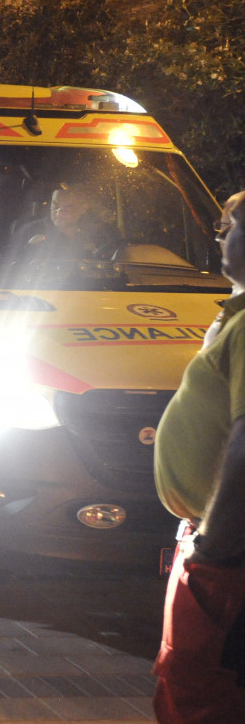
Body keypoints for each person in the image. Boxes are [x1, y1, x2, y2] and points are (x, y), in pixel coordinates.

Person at [152, 190, 245, 719]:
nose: (223, 235)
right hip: (217, 544)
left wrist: (212, 545)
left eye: (233, 226)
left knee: (200, 690)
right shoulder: (234, 315)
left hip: (226, 557)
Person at [14, 183, 117, 260]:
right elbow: (9, 270)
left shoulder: (98, 235)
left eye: (68, 207)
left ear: (83, 208)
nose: (59, 213)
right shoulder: (29, 231)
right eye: (56, 206)